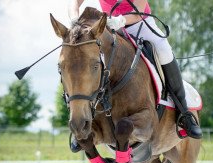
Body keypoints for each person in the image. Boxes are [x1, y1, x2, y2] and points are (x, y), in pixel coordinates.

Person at [68, 0, 202, 152]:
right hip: (108, 29)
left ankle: (184, 113)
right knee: (86, 60)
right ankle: (84, 120)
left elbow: (139, 9)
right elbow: (75, 2)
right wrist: (75, 20)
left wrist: (120, 20)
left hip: (139, 24)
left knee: (164, 51)